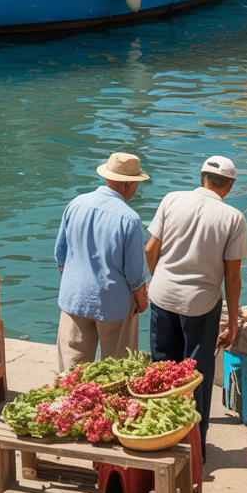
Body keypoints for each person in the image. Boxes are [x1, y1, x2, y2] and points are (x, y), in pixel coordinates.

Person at [145, 156, 247, 460]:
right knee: (196, 376)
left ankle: (159, 439)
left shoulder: (171, 199)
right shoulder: (233, 218)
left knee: (162, 369)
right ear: (229, 185)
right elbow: (232, 276)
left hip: (163, 297)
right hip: (200, 306)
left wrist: (160, 279)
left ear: (202, 176)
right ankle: (193, 450)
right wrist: (232, 324)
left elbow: (151, 249)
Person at [55, 152, 149, 371]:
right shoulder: (130, 219)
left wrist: (77, 280)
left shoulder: (76, 204)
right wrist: (142, 300)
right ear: (128, 184)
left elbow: (61, 255)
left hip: (74, 297)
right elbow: (135, 274)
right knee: (117, 369)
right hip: (114, 304)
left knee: (71, 370)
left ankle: (68, 404)